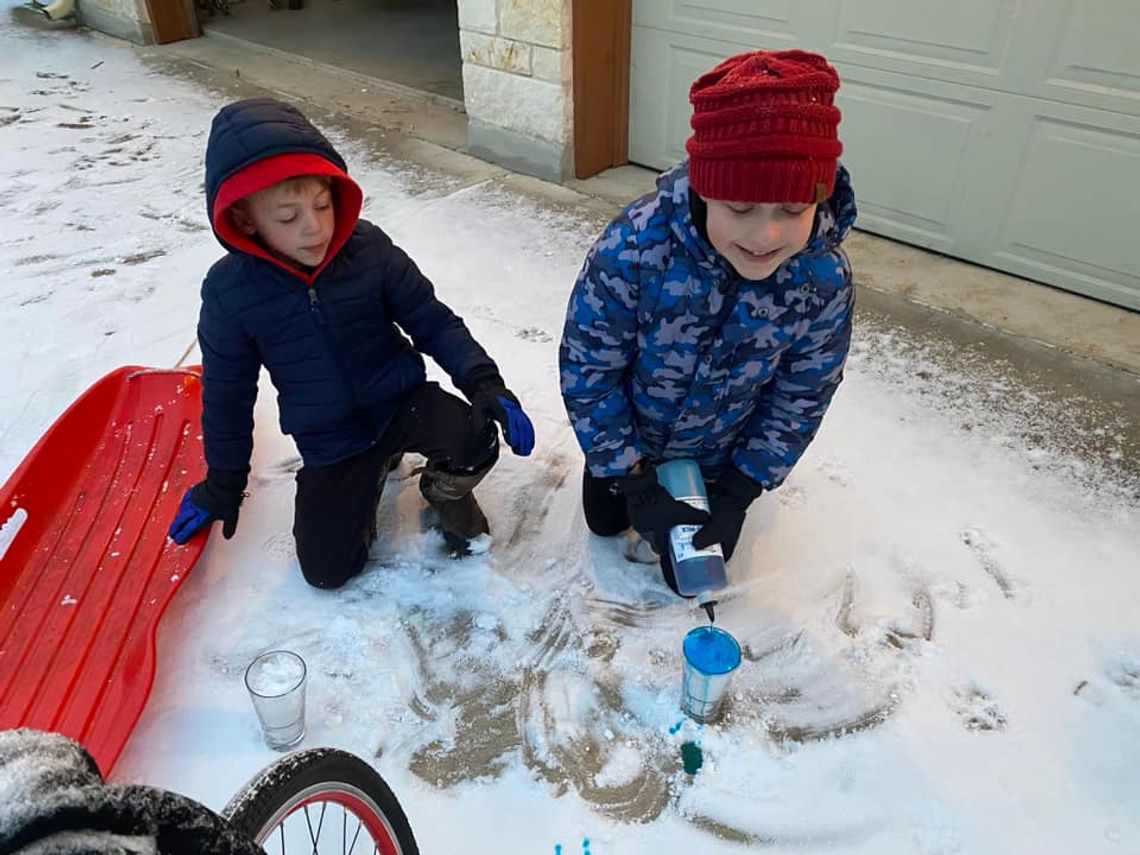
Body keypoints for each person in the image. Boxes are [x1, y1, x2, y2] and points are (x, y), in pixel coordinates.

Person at [169, 97, 534, 588]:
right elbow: (228, 396)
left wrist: (484, 383)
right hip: (331, 438)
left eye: (321, 204)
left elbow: (432, 320)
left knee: (474, 438)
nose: (315, 226)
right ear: (246, 220)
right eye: (287, 216)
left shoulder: (368, 250)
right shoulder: (231, 294)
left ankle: (444, 494)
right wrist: (223, 484)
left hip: (400, 402)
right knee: (328, 571)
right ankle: (365, 481)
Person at [559, 50, 856, 596]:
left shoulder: (821, 276)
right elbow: (589, 367)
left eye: (792, 211)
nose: (766, 236)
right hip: (635, 443)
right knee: (605, 522)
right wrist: (628, 475)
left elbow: (803, 392)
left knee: (691, 580)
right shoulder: (634, 248)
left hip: (720, 460)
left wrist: (741, 490)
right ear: (703, 188)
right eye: (740, 209)